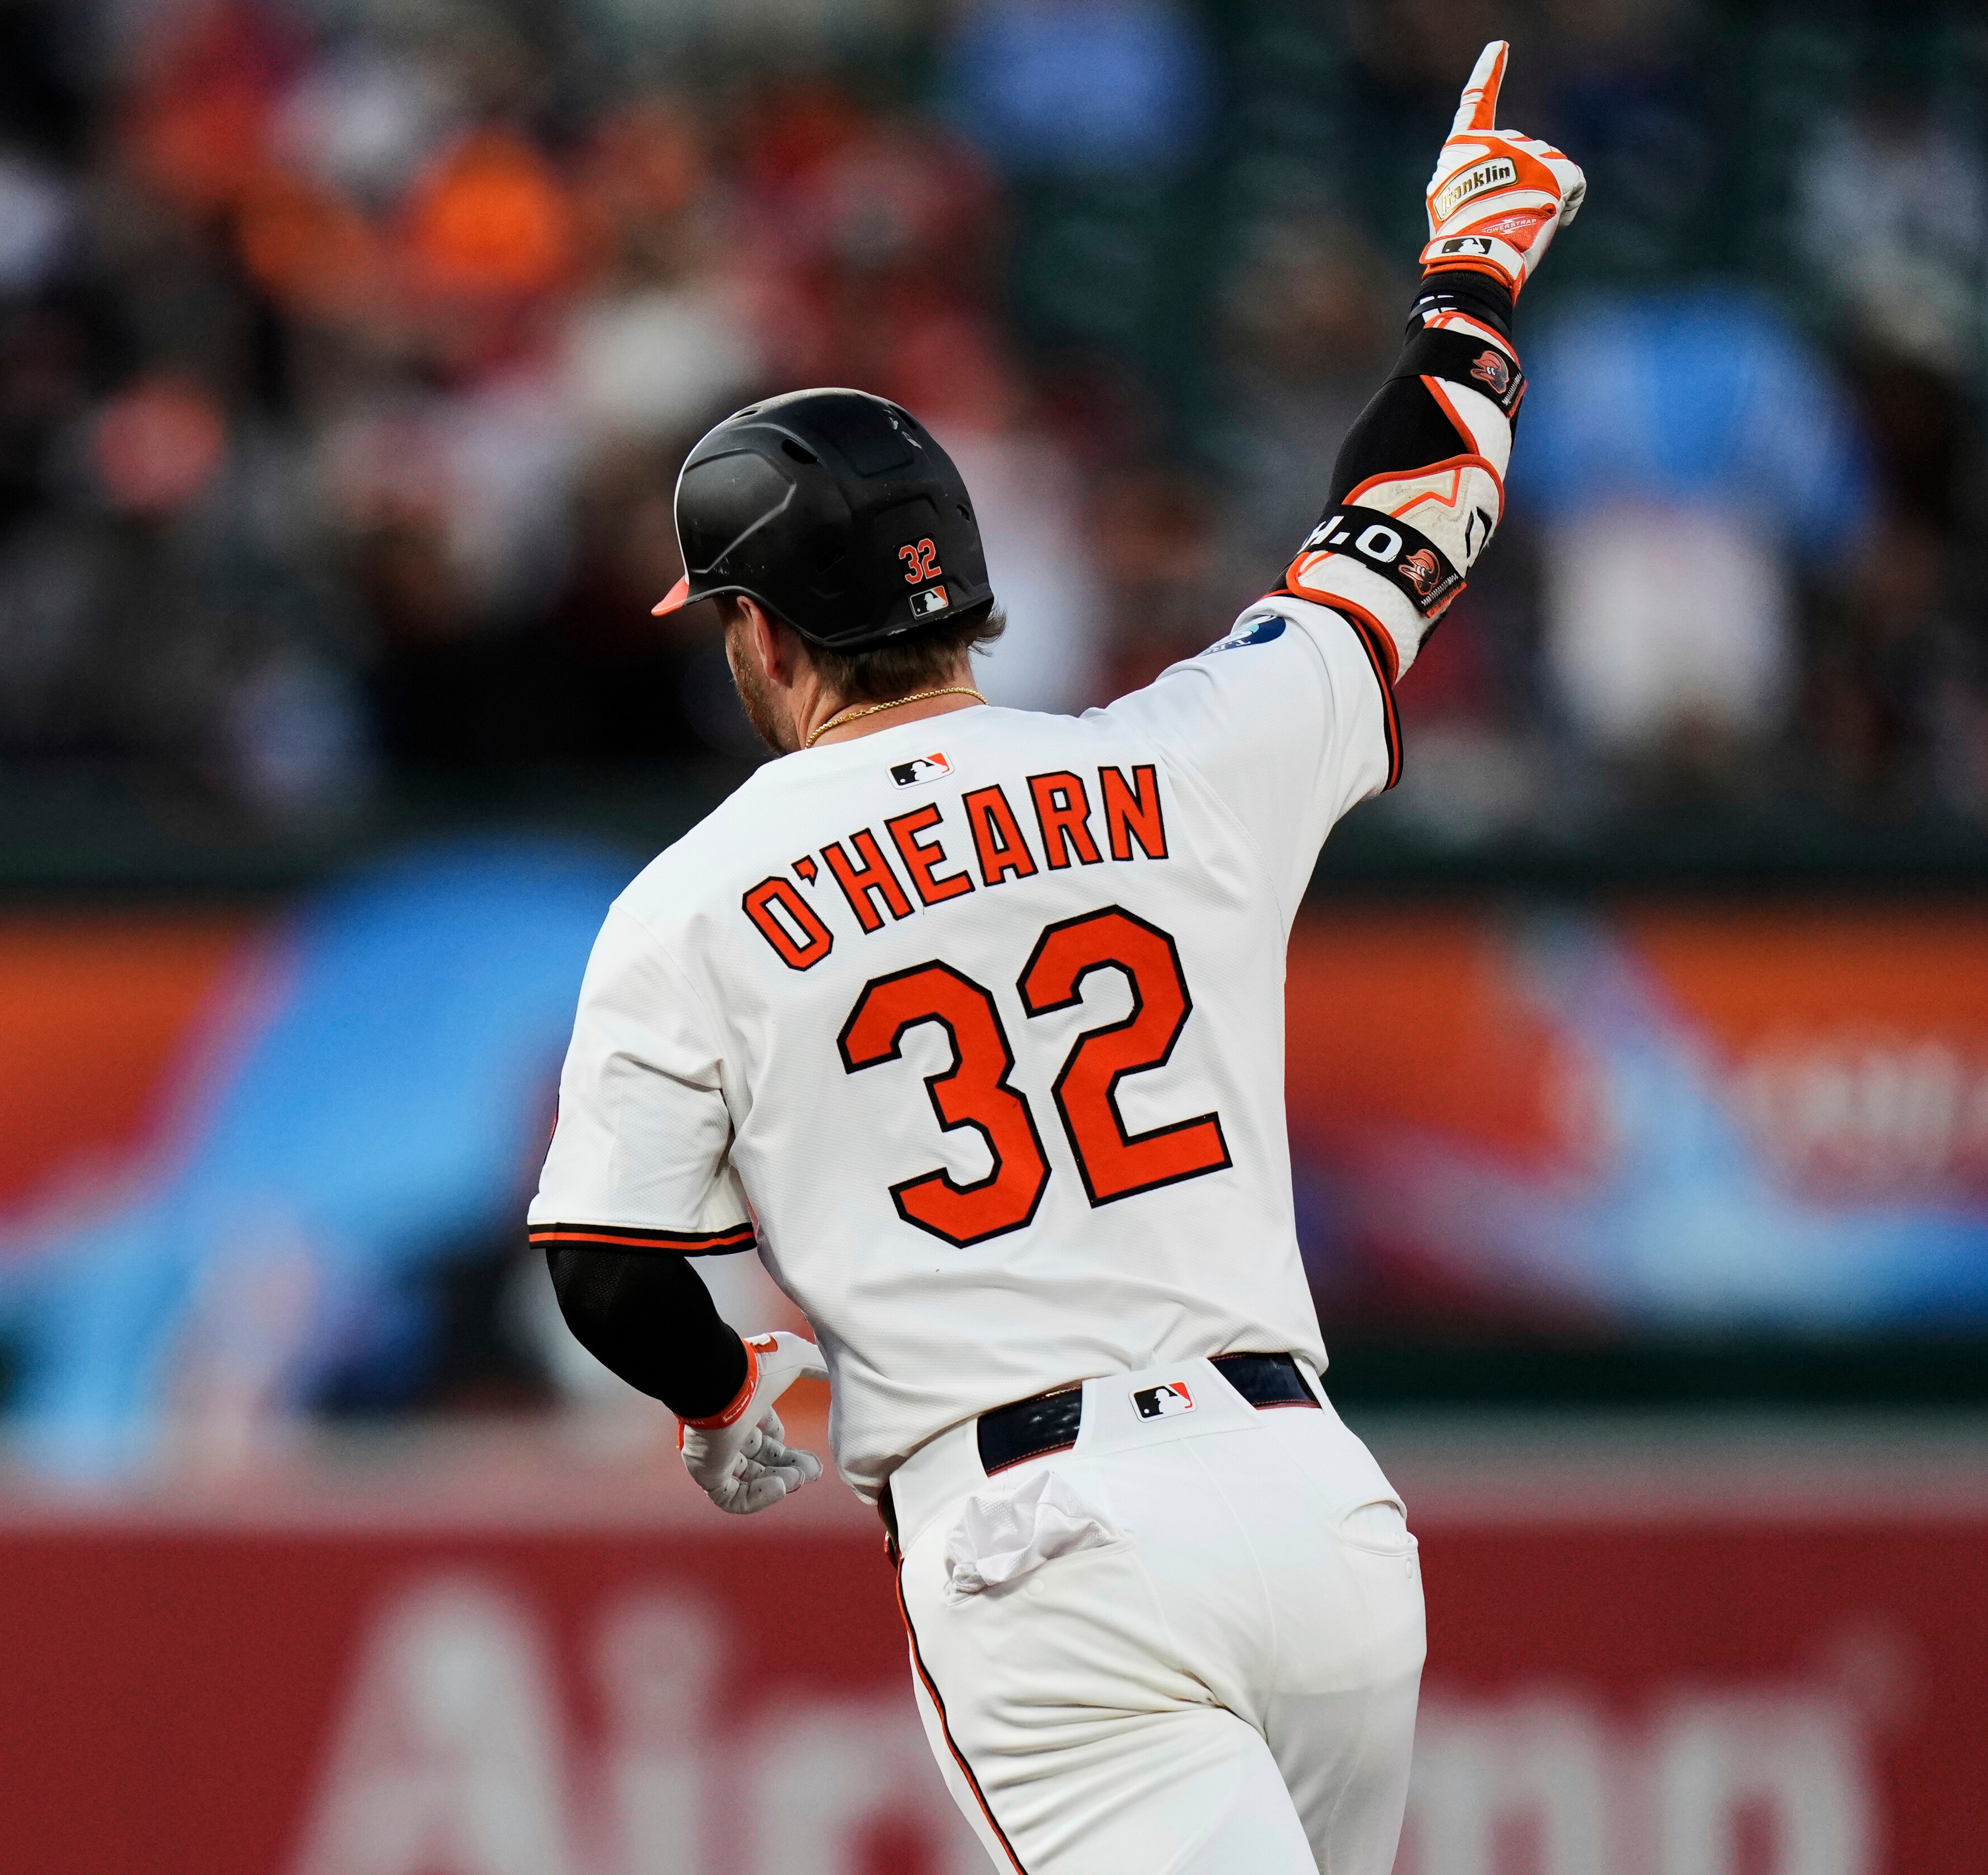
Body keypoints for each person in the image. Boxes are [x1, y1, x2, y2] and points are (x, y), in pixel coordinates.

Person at [532, 46, 1581, 1873]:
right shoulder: (1180, 757)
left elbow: (609, 1271)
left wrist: (719, 1395)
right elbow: (1403, 532)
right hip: (1312, 1503)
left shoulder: (693, 901)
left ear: (761, 635)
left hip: (1044, 1540)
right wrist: (1470, 283)